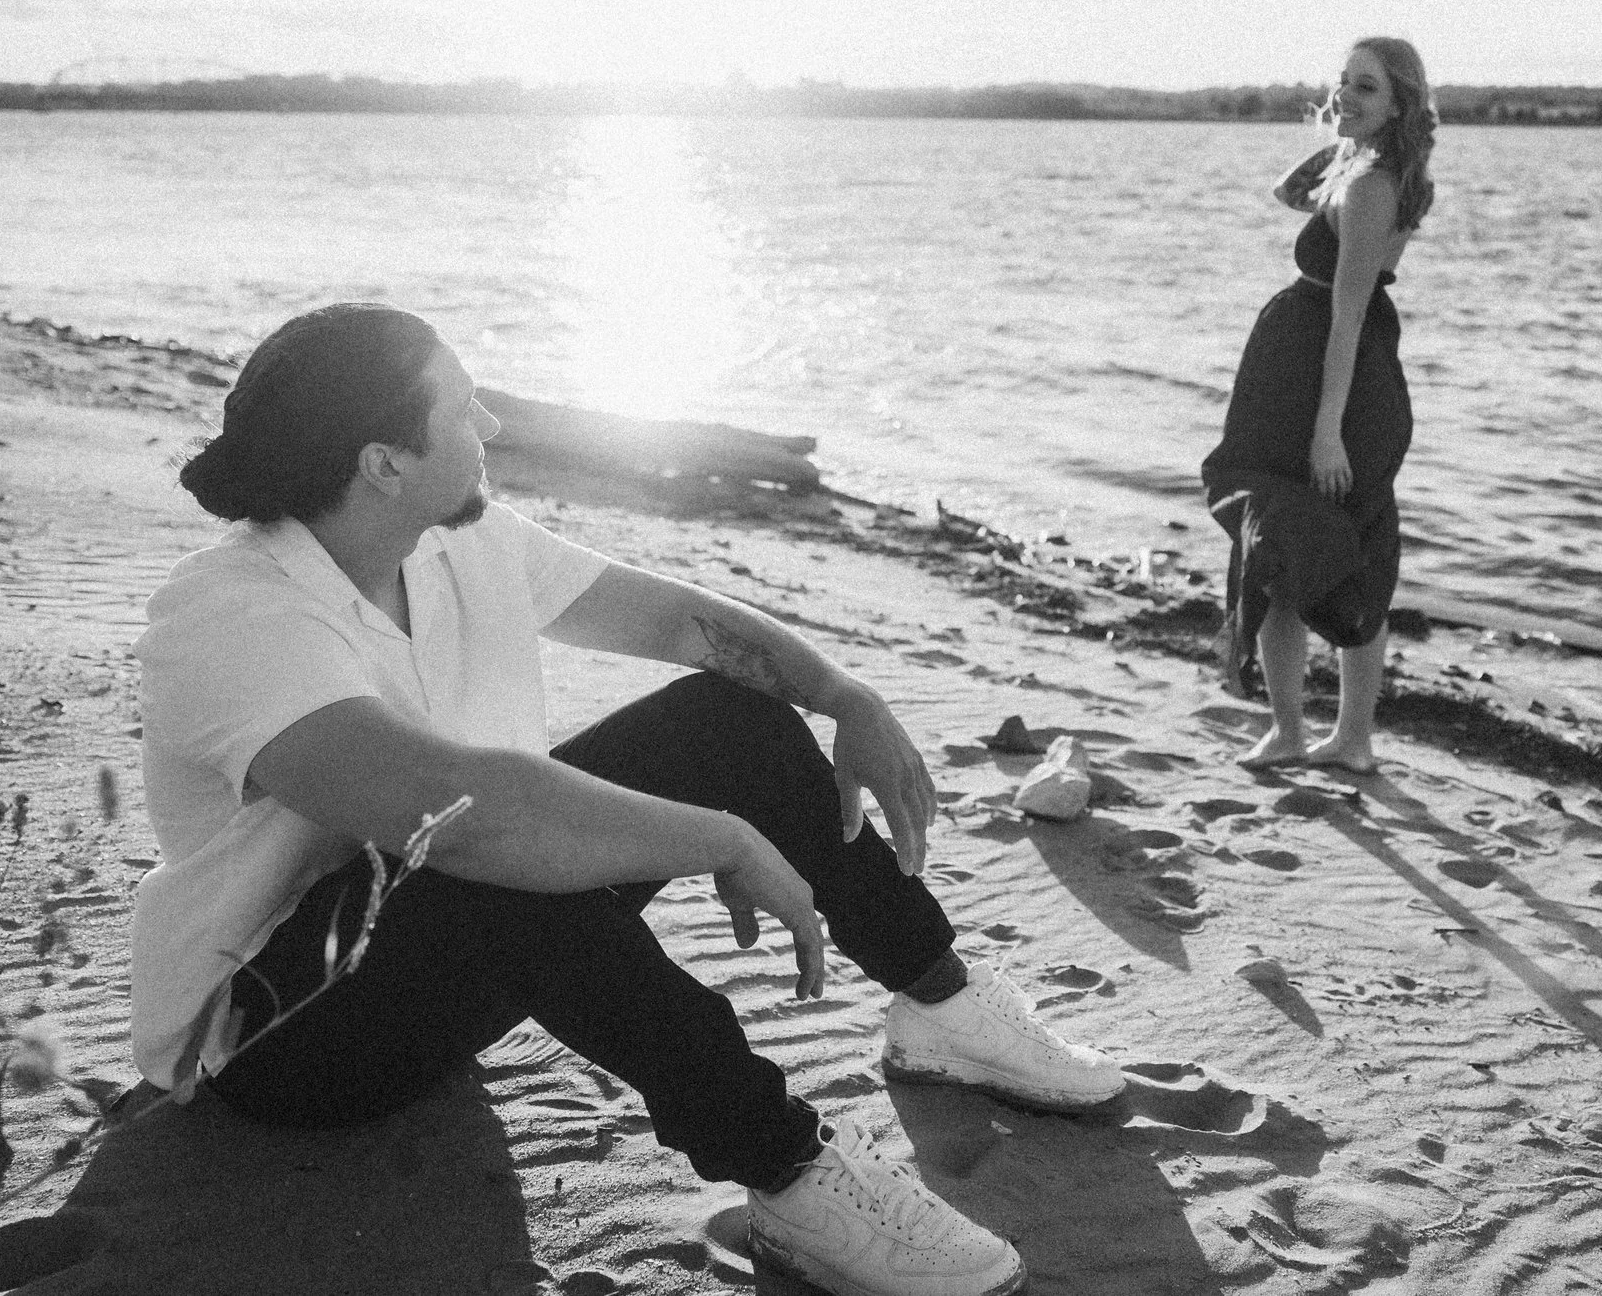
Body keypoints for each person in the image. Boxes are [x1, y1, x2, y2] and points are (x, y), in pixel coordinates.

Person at [132, 301, 1121, 1296]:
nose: (496, 431)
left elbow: (683, 624)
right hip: (283, 1043)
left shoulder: (452, 541)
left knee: (725, 719)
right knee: (503, 860)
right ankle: (789, 1173)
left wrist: (842, 693)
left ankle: (939, 1000)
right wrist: (721, 839)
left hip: (438, 958)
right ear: (383, 461)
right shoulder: (234, 618)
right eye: (467, 409)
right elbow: (468, 819)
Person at [1200, 38, 1436, 775]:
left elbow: (1348, 317)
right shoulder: (1364, 170)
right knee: (1314, 547)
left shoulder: (1370, 189)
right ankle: (1328, 736)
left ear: (1400, 101)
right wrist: (1342, 133)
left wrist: (1327, 431)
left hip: (1331, 385)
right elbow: (1286, 193)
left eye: (1365, 87)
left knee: (1296, 549)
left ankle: (1314, 734)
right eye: (1340, 83)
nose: (1345, 96)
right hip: (1315, 379)